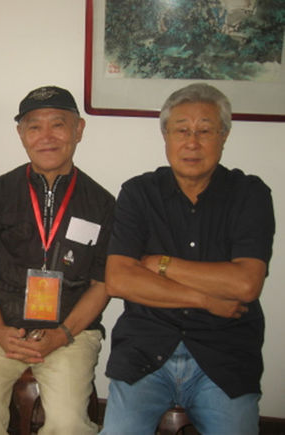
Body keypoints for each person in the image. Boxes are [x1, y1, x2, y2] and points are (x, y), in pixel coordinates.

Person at [100, 83, 275, 434]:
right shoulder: (138, 193)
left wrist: (160, 264)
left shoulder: (250, 194)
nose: (192, 142)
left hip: (224, 355)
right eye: (181, 130)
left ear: (224, 136)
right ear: (165, 135)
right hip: (145, 351)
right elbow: (119, 280)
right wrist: (206, 299)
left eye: (205, 131)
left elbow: (245, 284)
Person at [0, 86, 114, 434]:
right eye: (34, 127)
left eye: (58, 124)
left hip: (70, 330)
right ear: (21, 134)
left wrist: (62, 334)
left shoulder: (101, 203)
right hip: (1, 325)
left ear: (78, 130)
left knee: (68, 424)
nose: (46, 137)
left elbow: (102, 284)